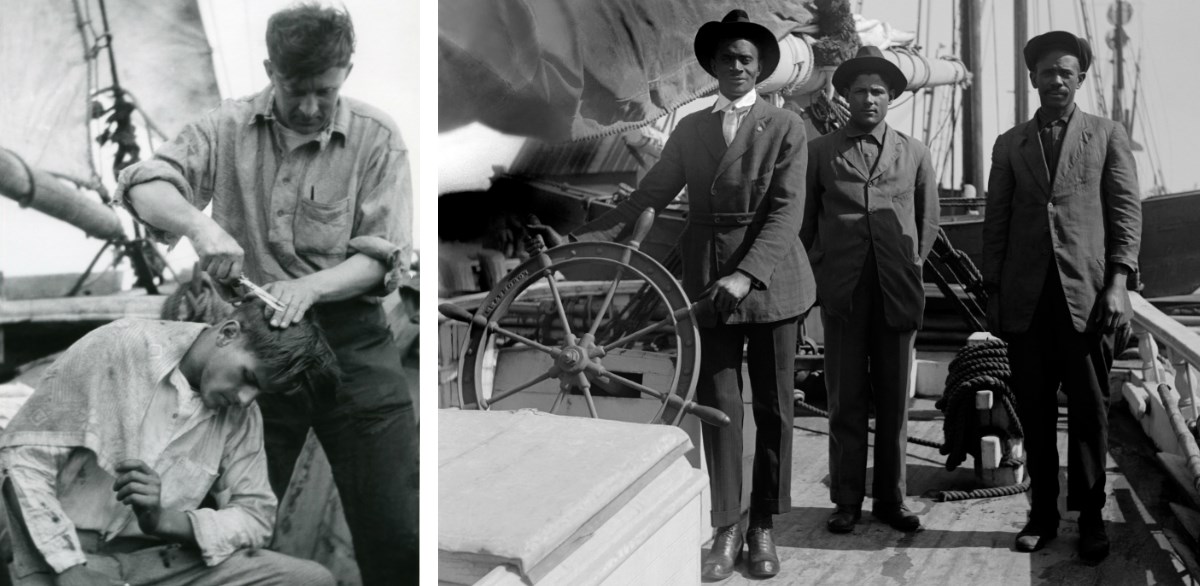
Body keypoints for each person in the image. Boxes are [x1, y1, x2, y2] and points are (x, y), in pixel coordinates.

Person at [114, 4, 417, 584]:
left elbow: (383, 260)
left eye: (323, 92)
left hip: (353, 350)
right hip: (257, 355)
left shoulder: (379, 139)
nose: (307, 106)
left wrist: (308, 286)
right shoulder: (222, 129)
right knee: (226, 530)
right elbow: (143, 184)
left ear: (346, 71)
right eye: (293, 88)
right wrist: (201, 228)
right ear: (269, 69)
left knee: (397, 534)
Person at [532, 9, 811, 580]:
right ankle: (727, 526)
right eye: (726, 58)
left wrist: (748, 274)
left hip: (774, 282)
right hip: (706, 281)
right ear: (710, 66)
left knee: (775, 411)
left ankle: (763, 526)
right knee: (720, 410)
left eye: (746, 59)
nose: (735, 66)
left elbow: (786, 212)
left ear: (760, 69)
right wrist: (576, 240)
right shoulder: (691, 130)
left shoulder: (786, 128)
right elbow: (647, 196)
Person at [0, 301, 340, 586]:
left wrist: (164, 519)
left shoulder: (242, 415)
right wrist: (69, 567)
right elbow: (23, 463)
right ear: (228, 333)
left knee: (308, 580)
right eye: (248, 378)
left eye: (260, 392)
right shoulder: (120, 345)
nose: (245, 399)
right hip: (57, 552)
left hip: (153, 563)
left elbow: (257, 517)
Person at [983, 30, 1141, 562]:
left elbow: (1124, 213)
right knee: (1035, 413)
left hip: (1089, 300)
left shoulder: (1107, 134)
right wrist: (993, 293)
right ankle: (1043, 514)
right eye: (1047, 71)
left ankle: (1091, 517)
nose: (1057, 80)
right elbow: (996, 222)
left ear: (1080, 78)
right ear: (1033, 78)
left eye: (1066, 72)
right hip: (1026, 303)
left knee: (1091, 414)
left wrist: (1118, 283)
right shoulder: (1010, 144)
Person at [801, 45, 940, 535]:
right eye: (859, 91)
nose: (869, 99)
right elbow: (803, 226)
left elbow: (926, 222)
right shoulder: (818, 152)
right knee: (845, 400)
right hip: (841, 294)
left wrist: (907, 266)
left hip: (896, 292)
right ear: (846, 97)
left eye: (878, 91)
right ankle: (845, 501)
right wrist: (818, 277)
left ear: (891, 97)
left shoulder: (916, 152)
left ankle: (891, 501)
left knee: (895, 404)